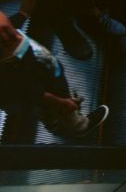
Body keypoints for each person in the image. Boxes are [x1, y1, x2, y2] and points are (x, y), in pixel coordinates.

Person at [0, 9, 109, 138]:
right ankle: (77, 126)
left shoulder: (7, 39)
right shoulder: (12, 75)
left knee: (55, 98)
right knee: (53, 111)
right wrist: (61, 102)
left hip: (49, 78)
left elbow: (15, 19)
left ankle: (60, 111)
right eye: (10, 39)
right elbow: (33, 94)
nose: (18, 36)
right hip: (46, 95)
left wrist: (25, 9)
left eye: (10, 29)